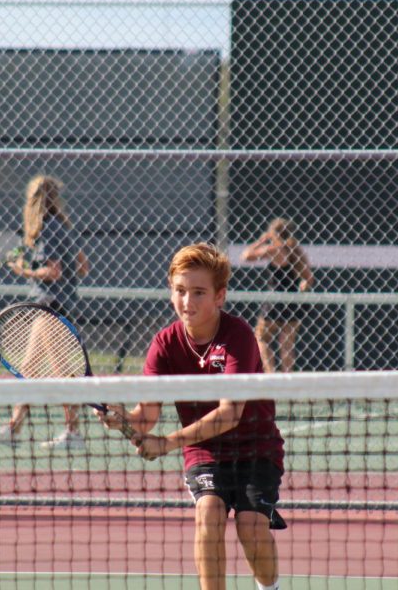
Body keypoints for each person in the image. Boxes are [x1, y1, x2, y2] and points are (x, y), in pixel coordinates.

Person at [97, 243, 285, 590]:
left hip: (257, 450)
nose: (187, 301)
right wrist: (124, 419)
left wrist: (166, 444)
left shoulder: (239, 336)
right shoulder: (164, 344)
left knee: (251, 527)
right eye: (180, 291)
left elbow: (229, 414)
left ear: (219, 297)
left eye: (199, 292)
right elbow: (146, 418)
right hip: (205, 453)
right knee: (209, 515)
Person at [0, 174, 90, 450]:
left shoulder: (49, 229)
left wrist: (23, 270)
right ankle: (13, 429)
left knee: (62, 370)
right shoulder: (63, 227)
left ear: (33, 200)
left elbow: (54, 271)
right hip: (55, 305)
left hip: (50, 306)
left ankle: (73, 433)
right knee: (28, 369)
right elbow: (83, 266)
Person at [241, 218, 314, 373]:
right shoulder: (297, 251)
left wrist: (261, 241)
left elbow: (246, 255)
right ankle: (287, 377)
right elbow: (308, 278)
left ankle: (271, 374)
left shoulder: (274, 250)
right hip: (294, 301)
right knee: (287, 343)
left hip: (276, 301)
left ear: (273, 234)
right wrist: (302, 286)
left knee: (262, 337)